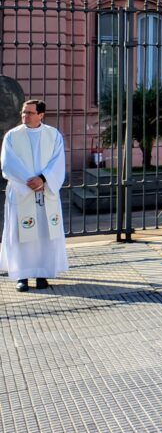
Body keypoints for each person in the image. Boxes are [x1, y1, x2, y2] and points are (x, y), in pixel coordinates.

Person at [0, 100, 67, 292]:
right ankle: (22, 276)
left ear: (41, 115)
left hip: (45, 192)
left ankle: (42, 274)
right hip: (22, 192)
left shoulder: (53, 135)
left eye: (30, 113)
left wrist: (43, 179)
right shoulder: (12, 136)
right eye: (23, 112)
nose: (25, 116)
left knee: (45, 234)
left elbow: (58, 161)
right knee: (21, 235)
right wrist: (30, 182)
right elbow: (8, 163)